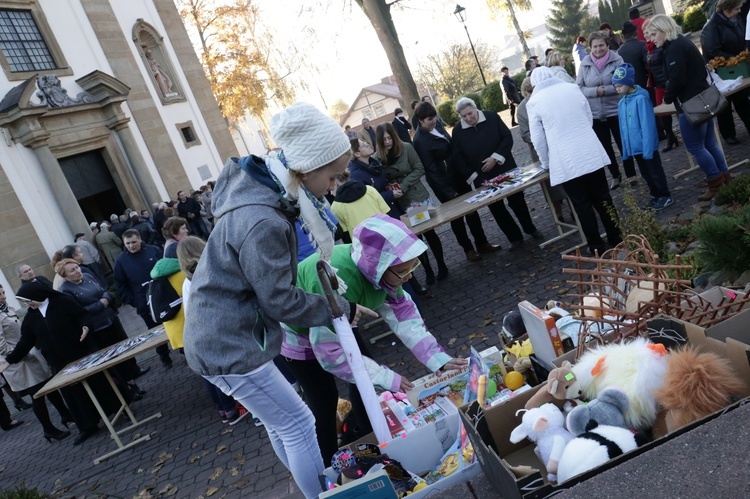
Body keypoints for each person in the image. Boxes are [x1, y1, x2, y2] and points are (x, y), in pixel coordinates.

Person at [182, 102, 375, 499]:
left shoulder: (264, 198)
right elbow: (280, 300)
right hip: (228, 342)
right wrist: (343, 309)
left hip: (224, 336)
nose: (334, 186)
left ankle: (312, 488)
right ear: (306, 167)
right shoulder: (264, 219)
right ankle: (322, 494)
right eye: (333, 176)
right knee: (300, 425)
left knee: (282, 424)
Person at [282, 214, 466, 465]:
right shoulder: (336, 277)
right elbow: (330, 353)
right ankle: (326, 470)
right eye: (403, 271)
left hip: (345, 318)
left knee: (362, 376)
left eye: (413, 267)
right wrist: (387, 378)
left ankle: (365, 435)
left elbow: (405, 318)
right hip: (300, 333)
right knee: (323, 402)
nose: (410, 276)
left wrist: (438, 359)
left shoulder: (385, 269)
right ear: (378, 267)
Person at [1, 281, 123, 445]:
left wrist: (86, 326)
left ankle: (116, 409)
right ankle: (87, 426)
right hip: (58, 362)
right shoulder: (31, 317)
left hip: (80, 352)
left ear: (37, 294)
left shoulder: (63, 301)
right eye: (24, 302)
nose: (27, 304)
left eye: (27, 300)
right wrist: (9, 361)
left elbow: (82, 316)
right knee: (73, 395)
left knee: (98, 383)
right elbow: (26, 341)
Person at [528, 66, 622, 255]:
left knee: (582, 204)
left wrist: (546, 163)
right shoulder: (572, 89)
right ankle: (616, 237)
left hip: (565, 159)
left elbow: (537, 139)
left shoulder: (534, 101)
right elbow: (588, 117)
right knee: (603, 197)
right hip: (589, 151)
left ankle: (595, 245)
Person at [650, 14, 731, 201]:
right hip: (702, 99)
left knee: (696, 147)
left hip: (691, 104)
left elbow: (677, 78)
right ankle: (725, 178)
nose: (652, 39)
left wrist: (667, 98)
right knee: (709, 143)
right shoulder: (681, 43)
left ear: (664, 30)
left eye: (654, 34)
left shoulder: (675, 47)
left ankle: (715, 182)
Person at [412, 102, 501, 261]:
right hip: (444, 183)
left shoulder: (437, 126)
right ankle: (468, 249)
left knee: (472, 210)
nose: (433, 121)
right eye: (429, 120)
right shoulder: (420, 140)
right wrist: (448, 192)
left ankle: (482, 243)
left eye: (433, 118)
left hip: (458, 176)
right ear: (420, 120)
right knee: (457, 217)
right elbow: (431, 170)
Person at [451, 97, 543, 250]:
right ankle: (514, 238)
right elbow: (458, 157)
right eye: (464, 116)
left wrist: (495, 157)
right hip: (483, 177)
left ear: (475, 109)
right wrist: (474, 176)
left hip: (505, 168)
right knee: (497, 209)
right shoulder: (458, 131)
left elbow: (507, 137)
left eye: (470, 113)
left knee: (517, 201)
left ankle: (530, 229)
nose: (468, 118)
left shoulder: (492, 116)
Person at [57, 259, 146, 398]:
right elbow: (79, 312)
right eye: (72, 270)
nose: (78, 271)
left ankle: (133, 382)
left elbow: (104, 291)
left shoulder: (87, 276)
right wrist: (100, 304)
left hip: (111, 320)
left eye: (77, 267)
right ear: (65, 276)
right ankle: (125, 391)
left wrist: (105, 299)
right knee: (112, 360)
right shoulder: (65, 290)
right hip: (97, 329)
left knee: (124, 353)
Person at [376, 121, 449, 284]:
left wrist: (403, 185)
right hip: (398, 203)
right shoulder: (377, 158)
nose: (387, 142)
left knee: (429, 232)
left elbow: (419, 168)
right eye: (383, 140)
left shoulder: (406, 148)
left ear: (394, 136)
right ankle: (428, 270)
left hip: (416, 198)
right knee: (414, 238)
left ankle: (441, 265)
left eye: (389, 138)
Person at [0, 284, 71, 441]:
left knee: (49, 386)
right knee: (37, 394)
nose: (3, 296)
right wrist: (19, 353)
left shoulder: (8, 309)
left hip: (29, 355)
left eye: (3, 292)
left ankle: (66, 415)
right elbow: (2, 345)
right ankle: (48, 429)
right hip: (19, 362)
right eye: (0, 295)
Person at [577, 30, 637, 190]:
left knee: (623, 144)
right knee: (605, 148)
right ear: (590, 47)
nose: (598, 49)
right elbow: (579, 88)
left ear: (607, 45)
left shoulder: (617, 60)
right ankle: (615, 176)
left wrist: (608, 89)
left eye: (601, 45)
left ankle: (631, 174)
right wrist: (596, 91)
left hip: (616, 111)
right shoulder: (584, 64)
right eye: (595, 46)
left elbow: (625, 82)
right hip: (596, 115)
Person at [612, 63, 674, 211]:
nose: (617, 88)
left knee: (655, 172)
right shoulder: (622, 103)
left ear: (628, 83)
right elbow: (622, 128)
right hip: (636, 147)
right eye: (615, 86)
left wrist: (648, 147)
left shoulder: (641, 99)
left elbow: (647, 125)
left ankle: (665, 195)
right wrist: (626, 150)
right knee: (646, 174)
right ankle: (655, 195)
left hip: (646, 146)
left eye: (620, 85)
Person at [113, 229, 173, 368]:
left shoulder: (154, 251)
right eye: (127, 243)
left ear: (140, 239)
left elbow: (166, 267)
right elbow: (120, 284)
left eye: (134, 242)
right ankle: (164, 356)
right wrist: (134, 301)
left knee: (173, 324)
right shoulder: (121, 261)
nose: (131, 246)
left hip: (164, 297)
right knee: (155, 331)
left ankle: (183, 349)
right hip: (144, 303)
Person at [517, 77, 570, 222]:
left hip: (559, 147)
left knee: (568, 180)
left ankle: (574, 209)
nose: (532, 94)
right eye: (529, 92)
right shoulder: (522, 109)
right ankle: (558, 214)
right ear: (524, 93)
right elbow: (525, 134)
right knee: (551, 186)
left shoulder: (547, 99)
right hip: (540, 152)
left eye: (533, 90)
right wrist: (540, 136)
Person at [701, 0, 750, 145]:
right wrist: (734, 58)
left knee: (742, 100)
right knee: (725, 105)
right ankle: (728, 134)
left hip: (739, 66)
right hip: (722, 71)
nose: (739, 11)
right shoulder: (711, 27)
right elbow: (712, 51)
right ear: (727, 9)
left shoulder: (737, 19)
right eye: (737, 9)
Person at [643, 19, 680, 152]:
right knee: (663, 114)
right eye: (645, 33)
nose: (646, 35)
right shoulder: (648, 49)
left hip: (667, 81)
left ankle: (679, 134)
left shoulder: (660, 46)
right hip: (658, 84)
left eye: (649, 33)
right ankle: (670, 136)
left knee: (675, 108)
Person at [347, 138, 402, 218]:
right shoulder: (356, 175)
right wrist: (390, 194)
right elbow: (367, 200)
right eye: (364, 145)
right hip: (383, 216)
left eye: (366, 142)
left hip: (392, 208)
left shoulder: (374, 165)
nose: (368, 145)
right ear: (357, 154)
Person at [618, 22, 649, 89]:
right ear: (636, 32)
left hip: (628, 86)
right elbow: (648, 65)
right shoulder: (643, 45)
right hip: (644, 84)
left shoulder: (618, 51)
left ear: (623, 35)